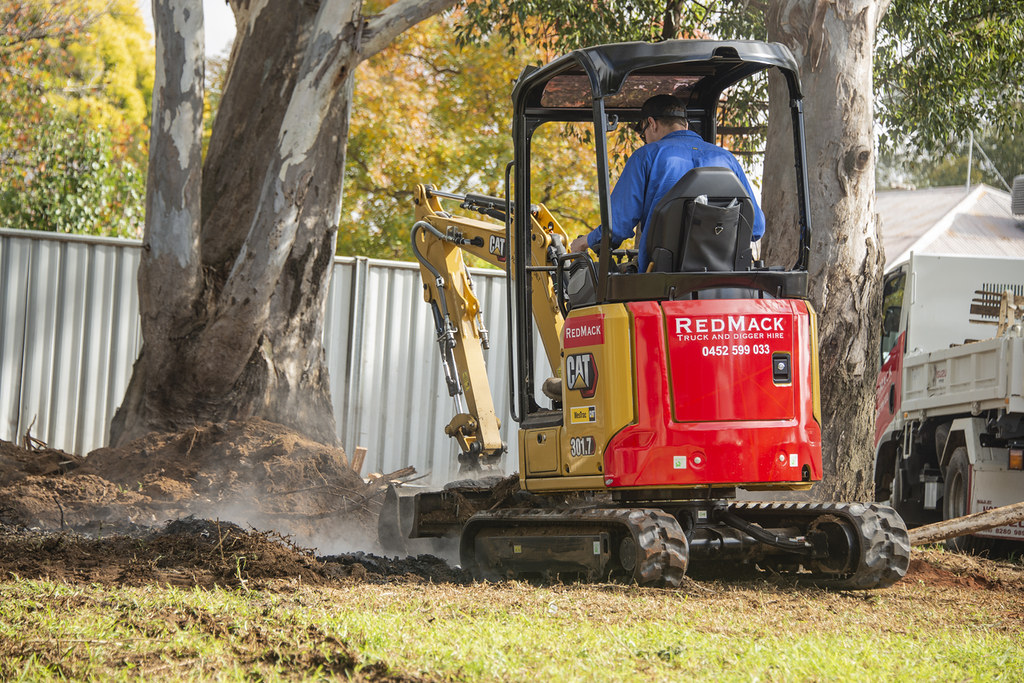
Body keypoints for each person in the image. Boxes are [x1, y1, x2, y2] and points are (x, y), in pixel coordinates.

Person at [568, 94, 765, 272]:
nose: (645, 140)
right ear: (685, 125)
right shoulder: (726, 159)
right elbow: (756, 227)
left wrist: (584, 243)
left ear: (651, 123)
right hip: (725, 282)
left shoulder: (646, 157)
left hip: (661, 283)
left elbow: (616, 228)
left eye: (643, 134)